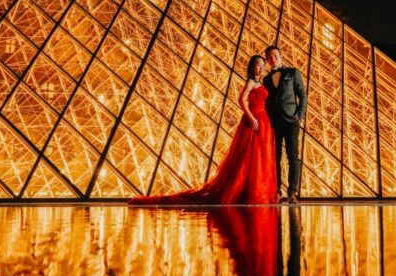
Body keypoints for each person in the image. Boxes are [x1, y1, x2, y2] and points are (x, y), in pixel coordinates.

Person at [129, 55, 277, 205]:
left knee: (260, 157)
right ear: (252, 67)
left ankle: (257, 189)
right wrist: (251, 117)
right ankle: (249, 191)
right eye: (258, 65)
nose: (261, 67)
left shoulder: (262, 82)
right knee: (249, 157)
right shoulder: (251, 82)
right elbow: (241, 99)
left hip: (263, 121)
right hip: (254, 120)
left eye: (262, 65)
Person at [263, 45, 307, 204]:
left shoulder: (293, 72)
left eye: (275, 55)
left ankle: (292, 192)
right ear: (267, 60)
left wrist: (300, 116)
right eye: (269, 57)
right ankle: (277, 191)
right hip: (274, 122)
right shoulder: (266, 79)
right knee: (275, 158)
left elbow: (302, 94)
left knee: (293, 157)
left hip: (291, 121)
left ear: (281, 56)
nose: (272, 59)